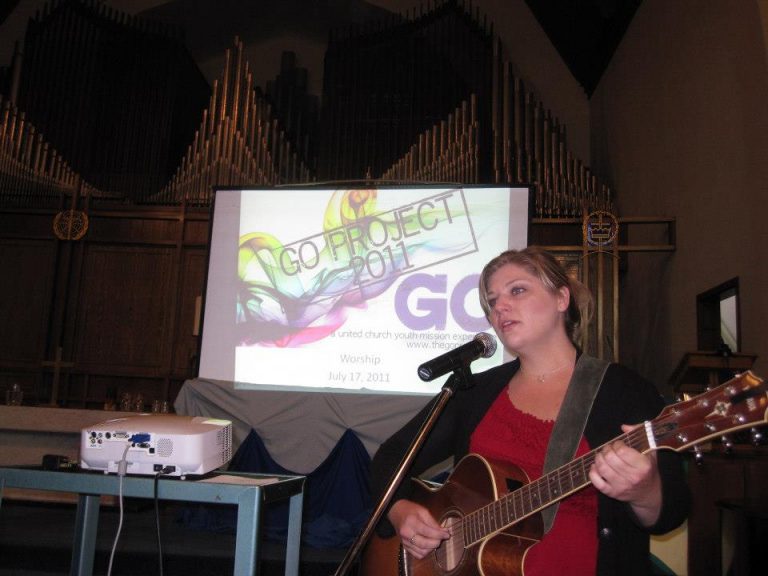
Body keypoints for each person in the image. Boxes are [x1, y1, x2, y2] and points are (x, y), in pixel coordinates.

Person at [369, 246, 690, 575]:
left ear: (561, 299)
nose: (500, 307)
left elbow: (671, 512)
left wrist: (644, 491)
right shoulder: (475, 393)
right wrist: (399, 510)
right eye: (492, 301)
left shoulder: (625, 391)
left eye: (517, 290)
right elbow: (391, 457)